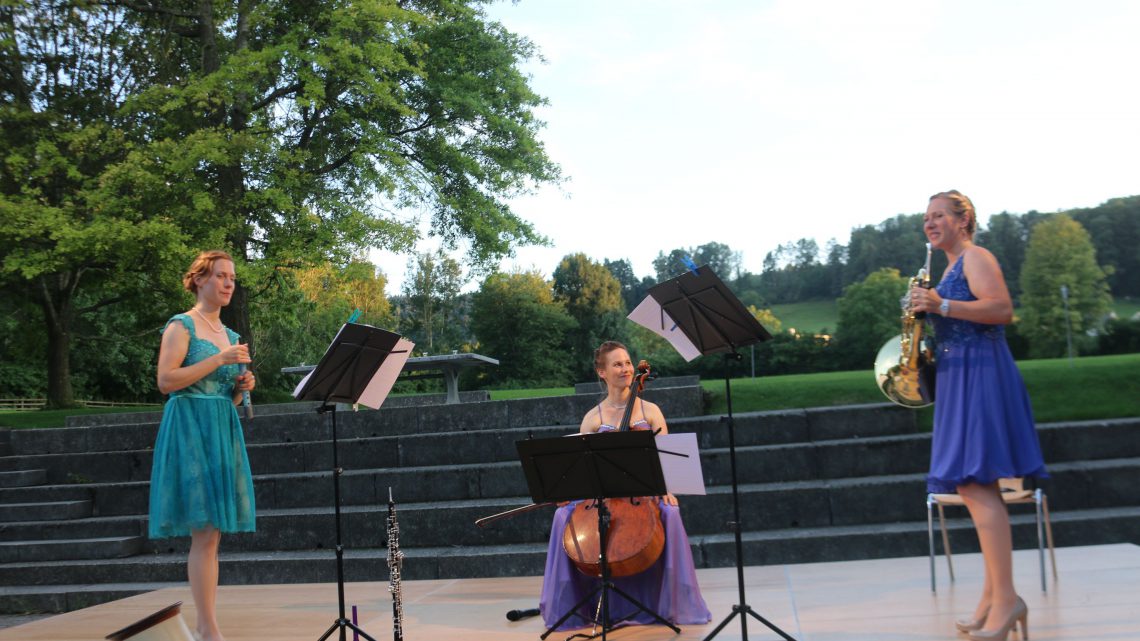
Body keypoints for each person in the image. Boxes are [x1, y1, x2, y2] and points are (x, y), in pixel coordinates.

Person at [909, 191, 1048, 641]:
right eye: (926, 217)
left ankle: (1006, 601)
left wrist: (940, 305)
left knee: (974, 482)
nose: (929, 223)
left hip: (983, 375)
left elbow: (1002, 310)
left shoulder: (976, 256)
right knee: (975, 486)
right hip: (957, 377)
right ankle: (993, 600)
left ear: (963, 219)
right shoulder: (947, 267)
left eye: (938, 216)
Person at [538, 341, 711, 631]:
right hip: (604, 496)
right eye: (617, 364)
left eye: (628, 363)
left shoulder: (651, 411)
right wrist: (566, 492)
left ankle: (669, 603)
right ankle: (574, 604)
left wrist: (667, 488)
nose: (627, 369)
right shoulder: (593, 418)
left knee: (670, 513)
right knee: (561, 516)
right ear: (602, 372)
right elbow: (585, 472)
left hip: (643, 495)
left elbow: (666, 463)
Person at [148, 250, 257, 641]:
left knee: (213, 534)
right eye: (220, 276)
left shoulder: (230, 336)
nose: (229, 283)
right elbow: (166, 381)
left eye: (232, 277)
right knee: (205, 531)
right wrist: (220, 361)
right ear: (199, 280)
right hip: (189, 429)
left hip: (220, 429)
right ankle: (208, 627)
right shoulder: (182, 326)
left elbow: (222, 398)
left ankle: (205, 625)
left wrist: (241, 387)